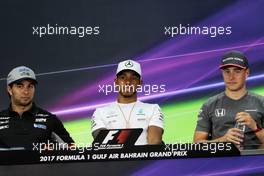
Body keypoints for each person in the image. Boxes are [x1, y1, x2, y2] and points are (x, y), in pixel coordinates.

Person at [193, 51, 264, 147]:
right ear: (222, 73)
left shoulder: (261, 102)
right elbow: (197, 144)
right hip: (221, 161)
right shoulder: (209, 104)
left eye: (237, 71)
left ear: (247, 73)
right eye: (227, 71)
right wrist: (224, 139)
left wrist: (255, 127)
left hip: (255, 161)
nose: (231, 77)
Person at [91, 59, 164, 145]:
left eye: (133, 78)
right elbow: (103, 143)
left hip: (143, 159)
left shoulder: (153, 109)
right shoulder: (100, 112)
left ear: (140, 83)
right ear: (116, 82)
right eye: (123, 77)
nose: (128, 82)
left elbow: (154, 142)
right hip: (115, 159)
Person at [0, 66, 74, 149]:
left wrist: (52, 151)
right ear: (10, 89)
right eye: (20, 86)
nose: (26, 91)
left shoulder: (50, 120)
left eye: (30, 86)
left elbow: (72, 149)